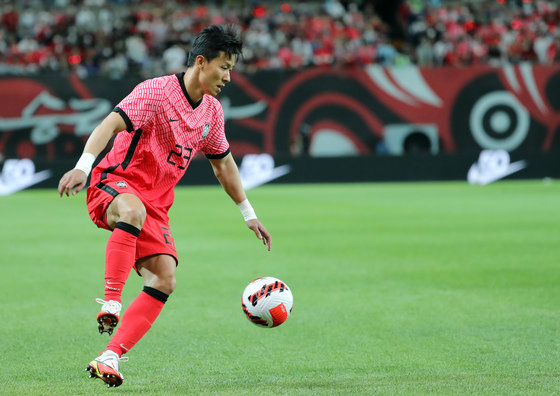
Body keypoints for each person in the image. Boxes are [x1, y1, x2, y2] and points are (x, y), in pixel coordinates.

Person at [57, 24, 271, 388]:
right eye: (224, 67)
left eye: (231, 69)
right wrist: (83, 166)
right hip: (113, 183)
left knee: (165, 279)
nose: (228, 77)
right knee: (133, 211)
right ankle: (111, 302)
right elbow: (110, 124)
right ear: (201, 62)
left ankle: (110, 356)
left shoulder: (212, 113)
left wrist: (248, 214)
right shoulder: (155, 92)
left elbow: (223, 165)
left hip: (154, 205)